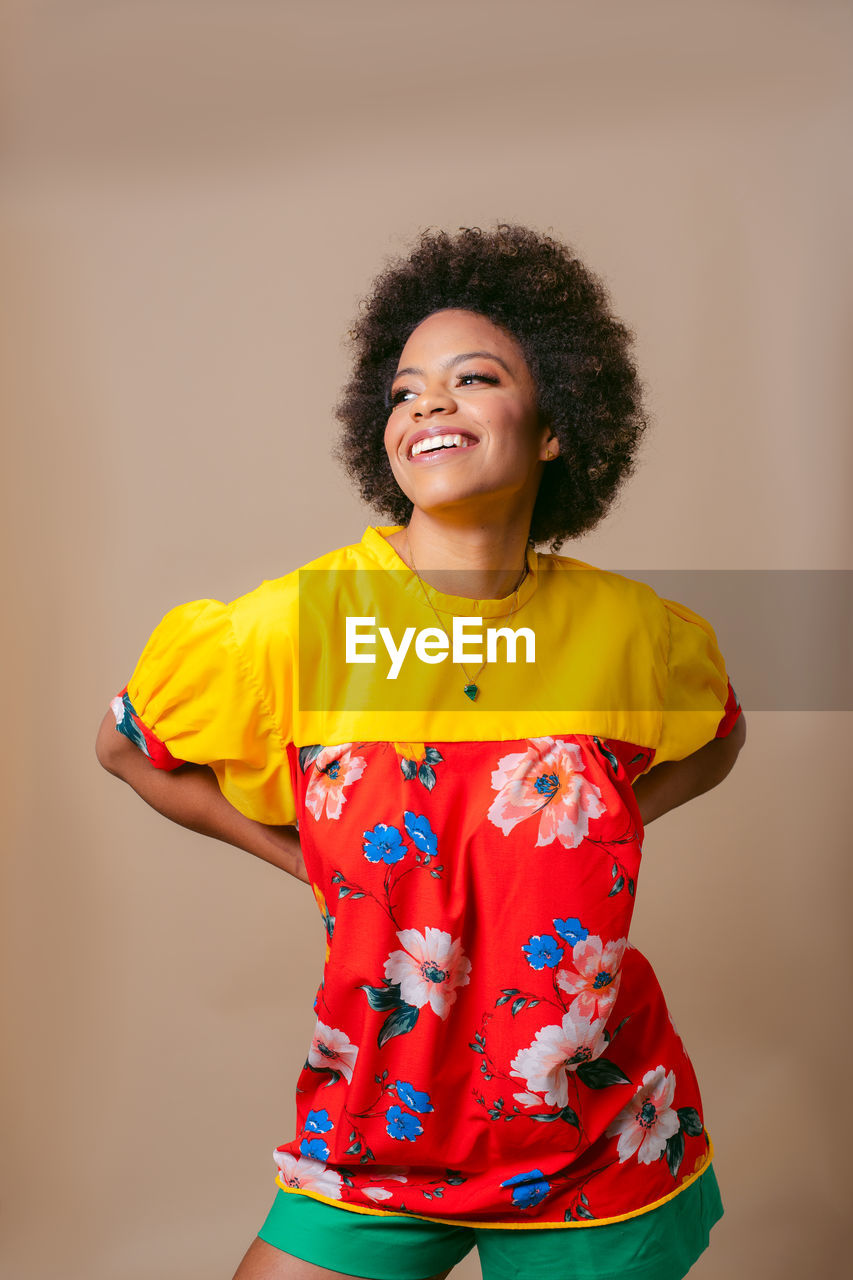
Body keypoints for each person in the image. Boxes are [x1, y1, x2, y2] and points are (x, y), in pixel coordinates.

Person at [96, 225, 746, 1280]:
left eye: (473, 377)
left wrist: (610, 816)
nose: (428, 404)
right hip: (378, 1119)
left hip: (594, 1126)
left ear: (551, 427)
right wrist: (304, 853)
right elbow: (128, 748)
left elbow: (719, 731)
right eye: (405, 391)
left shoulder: (632, 633)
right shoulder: (294, 623)